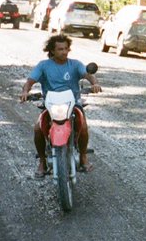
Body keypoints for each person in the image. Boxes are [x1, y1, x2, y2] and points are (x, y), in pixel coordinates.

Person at [19, 33, 102, 176]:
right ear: (52, 50)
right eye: (60, 49)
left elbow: (87, 75)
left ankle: (83, 158)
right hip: (50, 103)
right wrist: (25, 91)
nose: (64, 52)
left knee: (83, 126)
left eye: (66, 49)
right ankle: (42, 162)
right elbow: (30, 81)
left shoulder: (75, 64)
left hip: (72, 102)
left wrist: (95, 84)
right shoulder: (43, 65)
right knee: (38, 129)